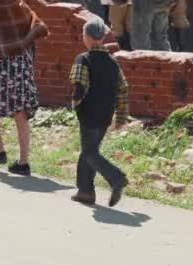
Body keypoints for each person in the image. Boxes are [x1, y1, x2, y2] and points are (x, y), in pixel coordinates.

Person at [0, 0, 49, 176]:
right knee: (20, 112)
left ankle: (0, 151)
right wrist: (27, 64)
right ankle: (22, 161)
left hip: (2, 66)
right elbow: (36, 31)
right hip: (22, 66)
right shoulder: (22, 7)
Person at [69, 17, 129, 207]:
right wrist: (120, 117)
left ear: (86, 37)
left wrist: (75, 103)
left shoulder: (83, 59)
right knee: (89, 150)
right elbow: (123, 89)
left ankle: (116, 177)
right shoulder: (113, 63)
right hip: (105, 115)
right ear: (102, 37)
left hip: (89, 113)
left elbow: (79, 87)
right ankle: (85, 191)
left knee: (89, 152)